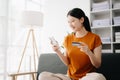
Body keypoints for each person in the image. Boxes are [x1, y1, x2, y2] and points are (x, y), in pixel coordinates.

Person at [39, 8, 106, 80]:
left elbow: (97, 65)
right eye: (68, 22)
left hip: (87, 77)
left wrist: (88, 52)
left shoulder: (95, 38)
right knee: (43, 76)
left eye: (73, 21)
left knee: (99, 77)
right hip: (70, 77)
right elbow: (67, 63)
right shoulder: (68, 38)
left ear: (81, 20)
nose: (70, 25)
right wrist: (57, 51)